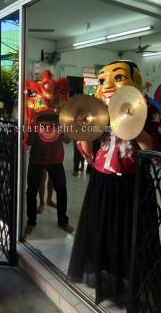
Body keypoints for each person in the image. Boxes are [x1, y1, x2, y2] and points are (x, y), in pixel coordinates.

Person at [67, 60, 161, 309]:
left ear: (135, 81)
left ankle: (140, 287)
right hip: (100, 181)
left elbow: (152, 150)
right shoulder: (98, 110)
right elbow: (87, 152)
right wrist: (84, 128)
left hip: (132, 184)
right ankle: (107, 282)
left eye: (117, 78)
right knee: (102, 232)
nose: (107, 85)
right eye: (101, 80)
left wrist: (131, 123)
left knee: (134, 237)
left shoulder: (148, 109)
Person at [24, 70, 73, 235]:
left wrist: (69, 129)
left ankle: (62, 220)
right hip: (36, 159)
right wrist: (29, 127)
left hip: (56, 159)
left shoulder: (61, 119)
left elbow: (66, 140)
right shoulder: (35, 119)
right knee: (31, 191)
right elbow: (29, 142)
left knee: (62, 190)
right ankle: (31, 221)